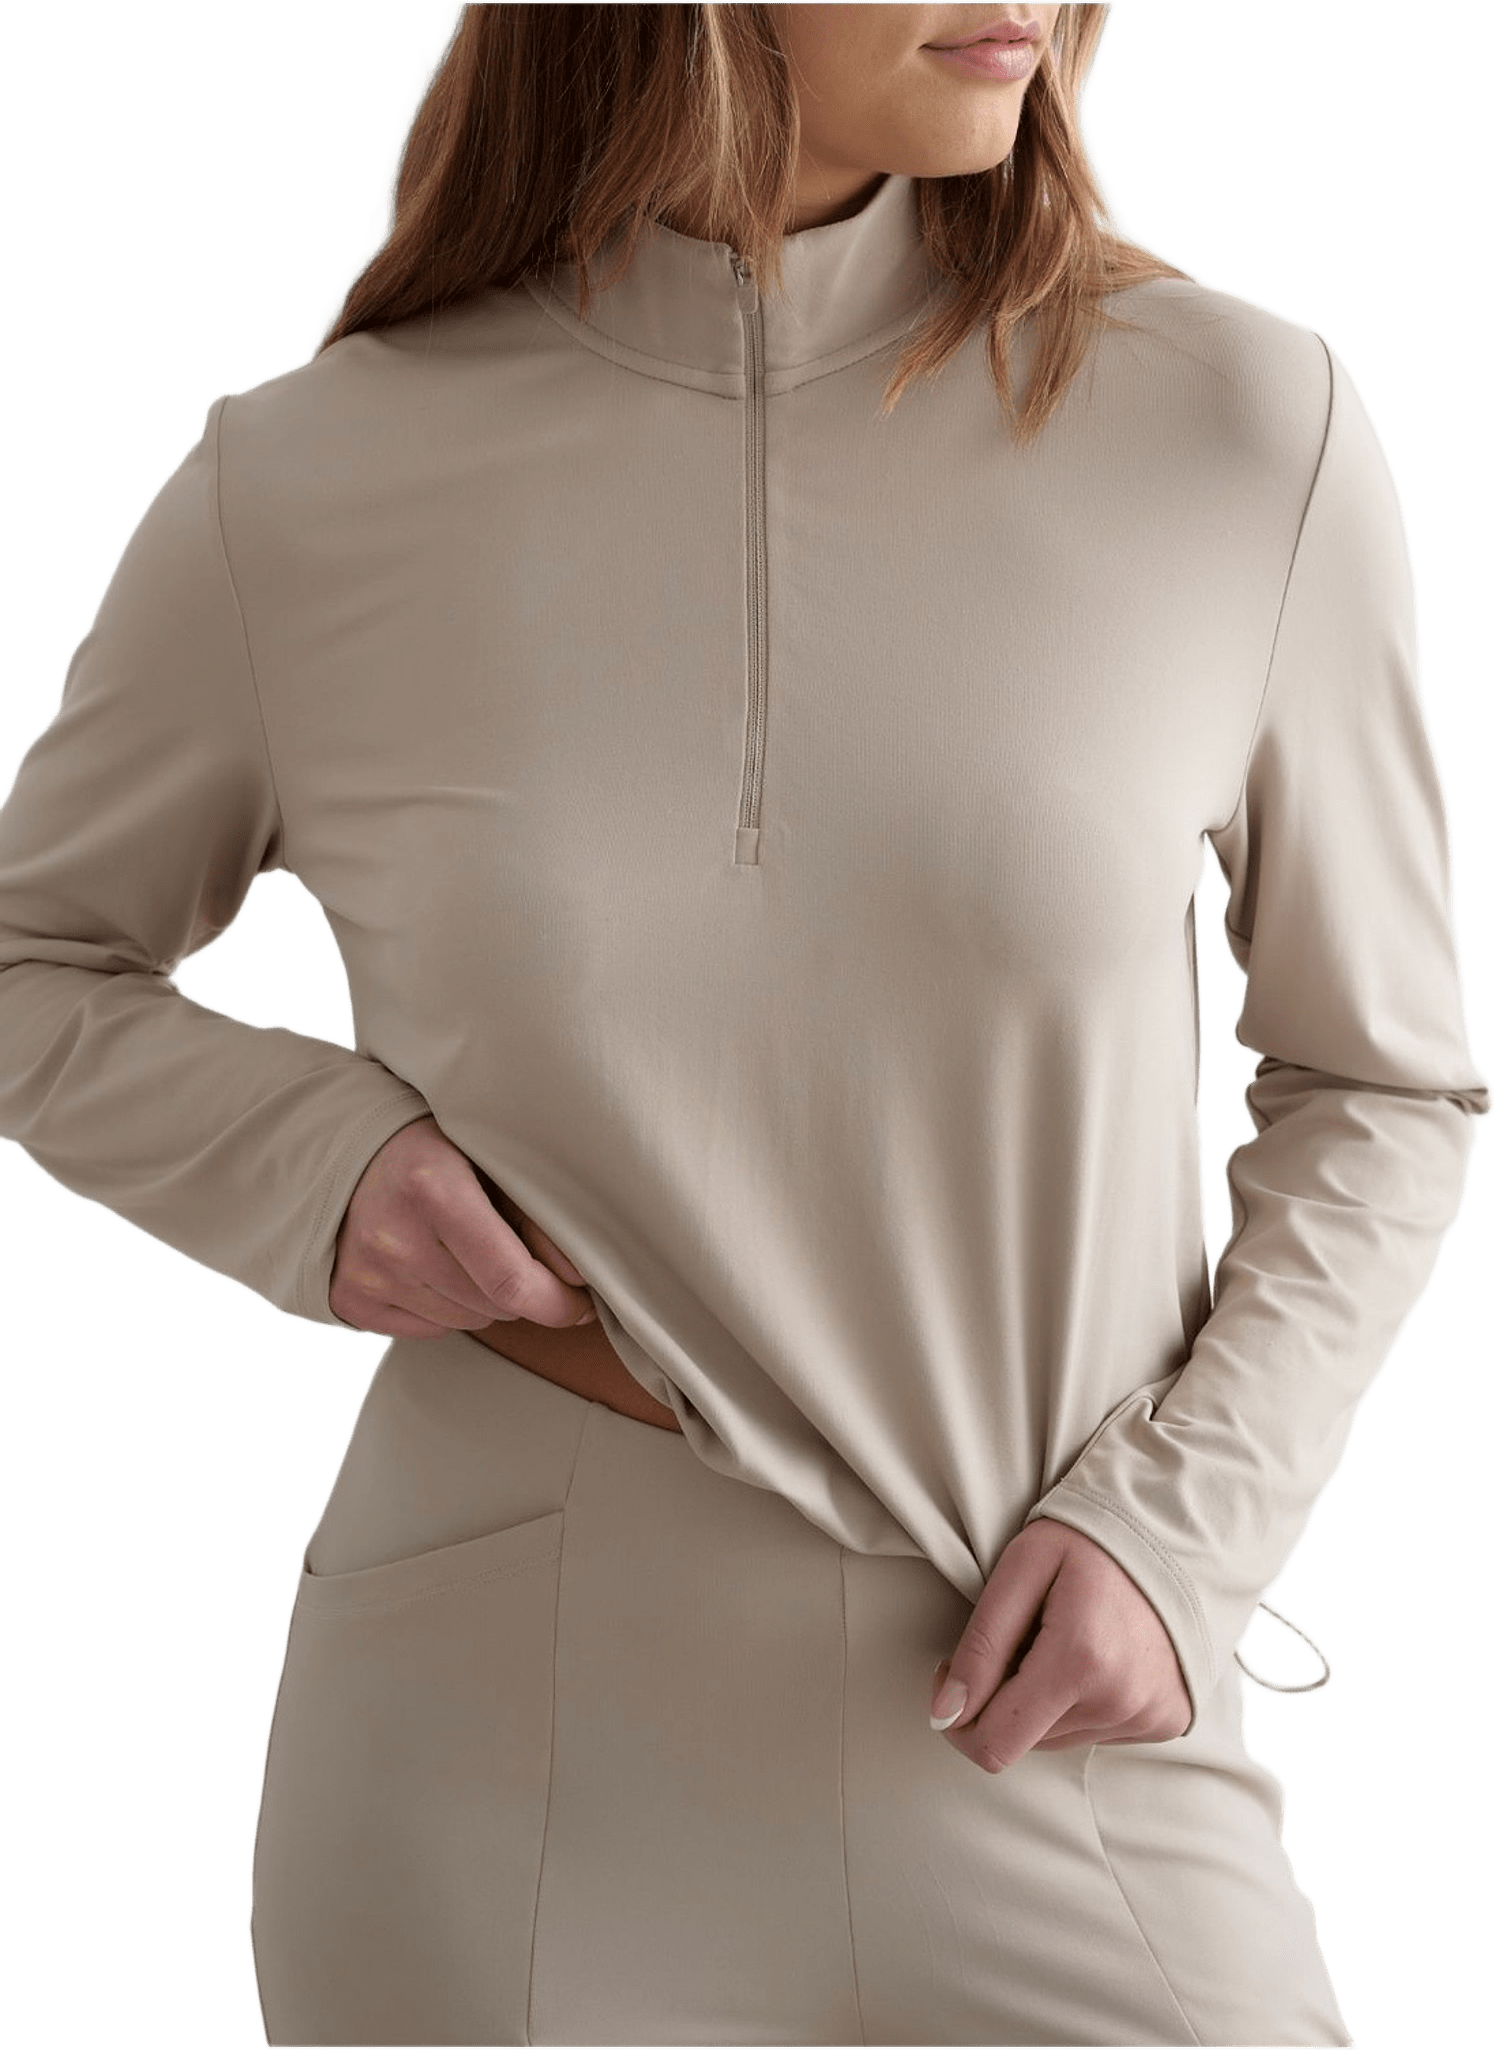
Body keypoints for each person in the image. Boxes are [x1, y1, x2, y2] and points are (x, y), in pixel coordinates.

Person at [0, 3, 1487, 2044]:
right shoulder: (315, 477)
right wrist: (309, 1164)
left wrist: (1185, 1524)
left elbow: (1381, 1078)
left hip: (1056, 1708)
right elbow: (33, 955)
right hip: (506, 1771)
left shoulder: (1238, 425)